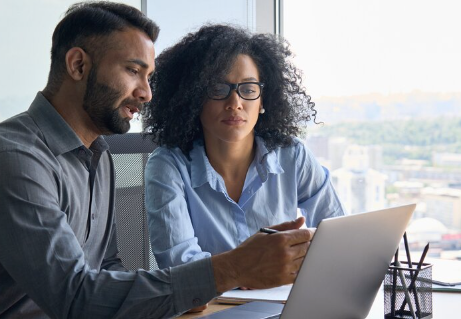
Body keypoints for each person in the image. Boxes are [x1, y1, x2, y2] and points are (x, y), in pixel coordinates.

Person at [0, 3, 314, 318]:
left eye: (149, 77)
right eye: (133, 71)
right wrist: (234, 268)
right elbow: (75, 297)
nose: (147, 93)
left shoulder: (99, 155)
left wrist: (186, 294)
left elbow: (109, 269)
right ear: (78, 65)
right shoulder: (16, 159)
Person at [143, 24, 345, 270]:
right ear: (194, 98)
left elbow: (338, 235)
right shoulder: (168, 166)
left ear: (263, 100)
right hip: (208, 307)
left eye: (249, 89)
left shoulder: (292, 155)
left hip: (284, 301)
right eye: (218, 89)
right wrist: (247, 271)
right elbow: (181, 268)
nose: (235, 103)